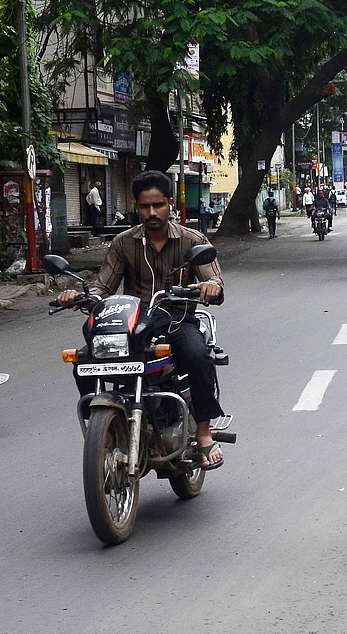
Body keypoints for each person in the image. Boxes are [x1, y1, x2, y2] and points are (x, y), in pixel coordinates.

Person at [56, 170, 228, 470]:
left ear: (170, 204)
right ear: (136, 207)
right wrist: (78, 295)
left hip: (175, 320)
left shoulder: (192, 240)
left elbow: (214, 278)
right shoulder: (124, 243)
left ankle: (203, 432)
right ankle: (106, 431)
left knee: (199, 356)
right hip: (131, 324)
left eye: (158, 205)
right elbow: (103, 286)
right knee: (83, 362)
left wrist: (209, 287)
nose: (152, 213)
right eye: (145, 206)